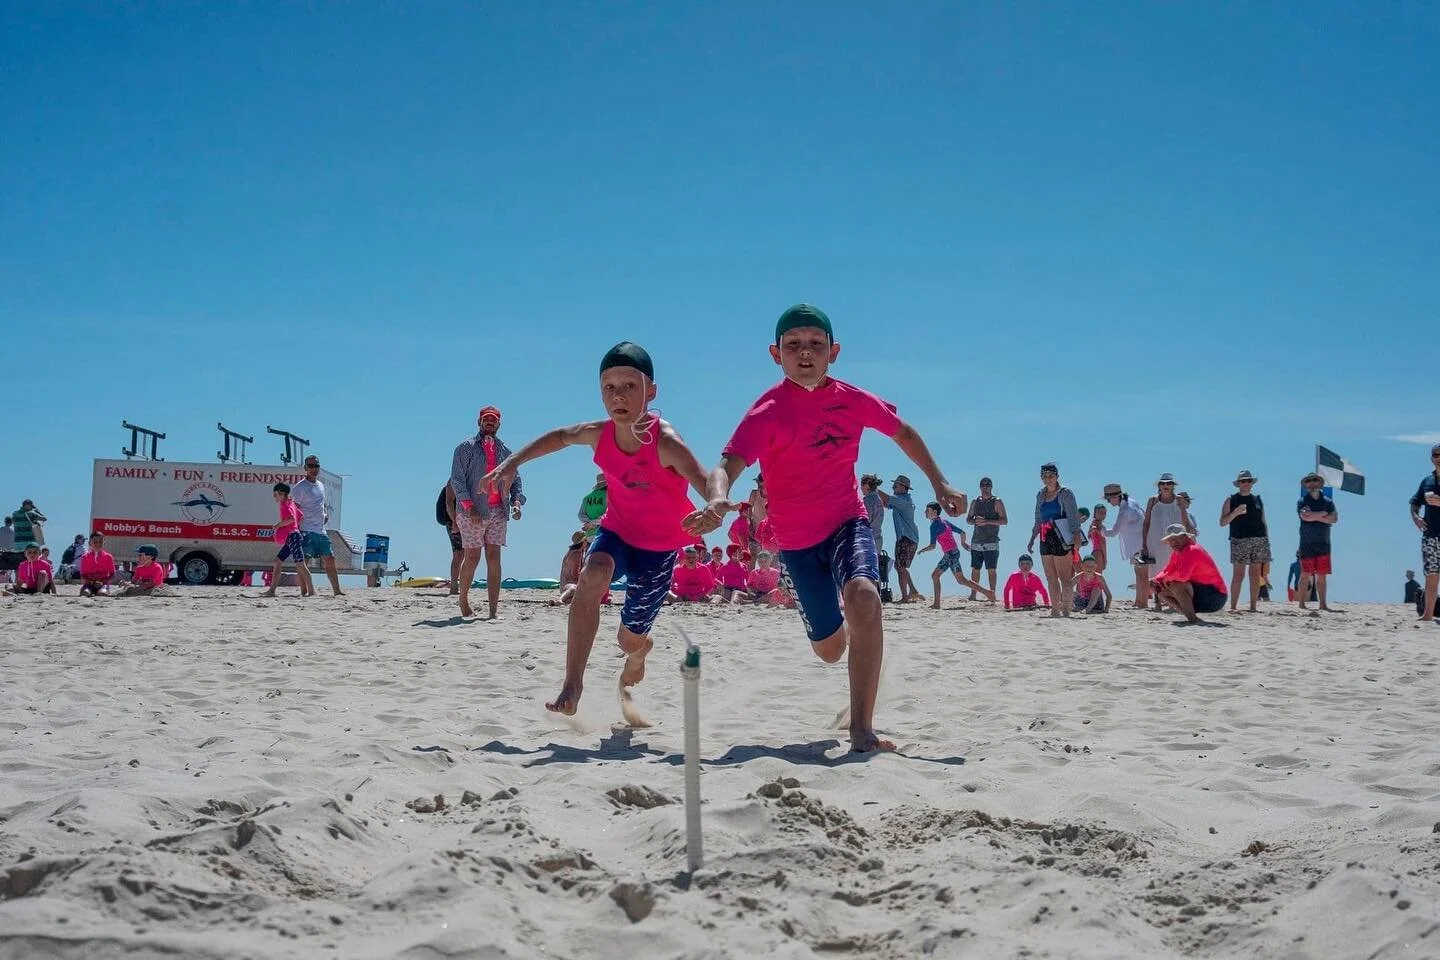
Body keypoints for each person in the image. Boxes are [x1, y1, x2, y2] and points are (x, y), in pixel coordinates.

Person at [686, 304, 967, 753]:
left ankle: (862, 729)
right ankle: (851, 631)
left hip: (847, 523)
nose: (804, 353)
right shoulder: (766, 411)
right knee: (830, 650)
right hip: (796, 544)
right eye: (793, 345)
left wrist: (940, 480)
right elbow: (726, 466)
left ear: (833, 352)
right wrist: (718, 499)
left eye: (815, 344)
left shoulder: (853, 399)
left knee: (865, 595)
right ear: (775, 353)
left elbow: (904, 433)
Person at [481, 342, 710, 717]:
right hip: (617, 532)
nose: (618, 396)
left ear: (651, 391)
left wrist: (714, 506)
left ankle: (639, 652)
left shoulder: (665, 442)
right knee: (593, 575)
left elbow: (705, 481)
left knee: (628, 640)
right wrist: (511, 463)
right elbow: (558, 437)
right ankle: (572, 686)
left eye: (630, 387)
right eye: (609, 387)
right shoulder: (599, 433)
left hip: (658, 549)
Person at [451, 406, 525, 620]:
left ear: (499, 424)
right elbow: (457, 479)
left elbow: (516, 480)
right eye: (486, 420)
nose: (489, 423)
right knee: (472, 557)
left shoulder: (506, 452)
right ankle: (463, 599)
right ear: (479, 423)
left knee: (494, 557)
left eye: (493, 420)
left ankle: (493, 610)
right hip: (471, 511)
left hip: (498, 511)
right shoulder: (465, 448)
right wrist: (468, 505)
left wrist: (517, 501)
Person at [1028, 463, 1084, 618]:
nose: (1048, 479)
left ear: (1057, 477)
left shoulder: (1065, 493)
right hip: (1045, 537)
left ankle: (1066, 609)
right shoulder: (1040, 494)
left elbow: (1073, 517)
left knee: (1065, 576)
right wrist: (1033, 538)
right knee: (1051, 576)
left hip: (1061, 537)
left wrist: (1077, 536)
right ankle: (1054, 609)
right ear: (1041, 478)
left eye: (1051, 476)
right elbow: (1038, 518)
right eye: (1045, 476)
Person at [918, 501, 995, 607]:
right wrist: (963, 543)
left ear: (935, 512)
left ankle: (988, 592)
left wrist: (923, 550)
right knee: (945, 577)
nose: (925, 512)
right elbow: (962, 532)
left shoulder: (934, 525)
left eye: (928, 510)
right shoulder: (945, 522)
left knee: (955, 579)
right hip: (953, 552)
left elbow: (932, 546)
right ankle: (988, 592)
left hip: (950, 554)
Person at [1150, 524, 1228, 624]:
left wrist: (1165, 579)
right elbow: (1167, 571)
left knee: (1176, 584)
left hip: (1216, 596)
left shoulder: (1192, 550)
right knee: (1160, 590)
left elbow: (1182, 577)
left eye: (1177, 538)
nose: (1174, 542)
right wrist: (1155, 580)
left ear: (1185, 537)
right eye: (1171, 539)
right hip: (1200, 595)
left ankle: (1193, 619)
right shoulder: (1177, 553)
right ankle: (1188, 613)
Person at [1219, 469, 1271, 613]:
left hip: (1259, 539)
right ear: (1238, 484)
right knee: (1238, 574)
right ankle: (1234, 606)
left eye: (1248, 481)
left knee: (1255, 574)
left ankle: (1253, 606)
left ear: (1252, 483)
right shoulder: (1232, 500)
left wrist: (1267, 540)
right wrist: (1235, 512)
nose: (1246, 483)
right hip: (1239, 539)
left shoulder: (1257, 499)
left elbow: (1263, 521)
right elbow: (1223, 522)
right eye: (1243, 481)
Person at [290, 455, 343, 596]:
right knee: (304, 561)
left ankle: (337, 591)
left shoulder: (321, 485)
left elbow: (321, 504)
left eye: (316, 466)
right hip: (306, 529)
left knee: (330, 559)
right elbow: (294, 509)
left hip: (320, 529)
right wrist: (296, 529)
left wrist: (325, 515)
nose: (314, 469)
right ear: (305, 468)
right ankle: (304, 591)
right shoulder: (300, 488)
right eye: (311, 466)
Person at [1141, 474, 1190, 609]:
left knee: (1175, 570)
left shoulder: (1179, 500)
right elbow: (1146, 523)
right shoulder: (1153, 500)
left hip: (1176, 542)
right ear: (1159, 486)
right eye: (1163, 483)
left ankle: (1174, 600)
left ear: (1173, 485)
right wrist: (1144, 544)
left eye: (1168, 483)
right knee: (1157, 572)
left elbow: (1185, 521)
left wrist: (1187, 540)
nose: (1165, 486)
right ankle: (1157, 601)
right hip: (1155, 541)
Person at [261, 482, 315, 598]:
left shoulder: (285, 504)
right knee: (277, 561)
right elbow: (300, 517)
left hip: (293, 537)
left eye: (275, 494)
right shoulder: (291, 503)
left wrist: (279, 525)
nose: (274, 496)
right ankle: (272, 590)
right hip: (292, 537)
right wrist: (293, 528)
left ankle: (312, 592)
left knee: (301, 565)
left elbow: (291, 518)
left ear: (281, 493)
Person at [1102, 482, 1148, 608]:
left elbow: (1113, 533)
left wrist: (1101, 529)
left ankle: (1142, 602)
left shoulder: (1124, 511)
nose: (1108, 502)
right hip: (1142, 542)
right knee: (1141, 573)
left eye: (1108, 499)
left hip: (1137, 544)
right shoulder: (1131, 502)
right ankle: (1140, 601)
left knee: (1140, 573)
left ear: (1115, 497)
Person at [1297, 472, 1338, 612]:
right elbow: (1305, 517)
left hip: (1323, 543)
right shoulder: (1302, 501)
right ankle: (1301, 603)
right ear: (1306, 484)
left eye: (1315, 480)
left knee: (1322, 576)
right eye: (1309, 481)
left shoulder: (1328, 501)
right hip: (1307, 542)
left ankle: (1323, 604)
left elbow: (1334, 519)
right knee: (1305, 575)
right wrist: (1323, 515)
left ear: (1320, 483)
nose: (1312, 483)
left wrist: (1316, 516)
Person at [1408, 443, 1440, 622]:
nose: (1439, 458)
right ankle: (1427, 615)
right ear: (1432, 459)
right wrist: (1415, 517)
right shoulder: (1427, 481)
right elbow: (1415, 502)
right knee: (1431, 575)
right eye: (1436, 455)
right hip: (1430, 535)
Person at [966, 477, 1006, 600]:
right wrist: (975, 521)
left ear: (991, 487)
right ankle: (973, 594)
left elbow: (1004, 520)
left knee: (991, 569)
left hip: (991, 540)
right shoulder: (975, 502)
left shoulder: (997, 502)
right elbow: (968, 519)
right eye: (983, 485)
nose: (985, 487)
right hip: (976, 540)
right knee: (975, 568)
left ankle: (992, 593)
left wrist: (987, 521)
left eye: (988, 485)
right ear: (980, 487)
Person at [885, 475, 921, 603]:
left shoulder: (902, 500)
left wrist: (873, 487)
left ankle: (913, 590)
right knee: (899, 566)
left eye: (896, 485)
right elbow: (885, 503)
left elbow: (886, 498)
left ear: (903, 488)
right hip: (905, 537)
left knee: (899, 566)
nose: (893, 487)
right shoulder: (900, 500)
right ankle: (906, 596)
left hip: (907, 537)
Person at [437, 483, 463, 595]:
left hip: (458, 520)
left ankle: (457, 585)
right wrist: (454, 522)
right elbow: (448, 502)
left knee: (461, 554)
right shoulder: (455, 480)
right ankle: (454, 587)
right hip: (453, 521)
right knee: (459, 554)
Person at [1088, 504, 1108, 572]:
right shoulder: (1098, 526)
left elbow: (1089, 536)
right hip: (1099, 552)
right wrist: (1105, 558)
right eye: (1100, 513)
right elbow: (1102, 542)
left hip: (1094, 552)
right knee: (1098, 576)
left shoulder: (1092, 525)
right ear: (1095, 513)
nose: (1103, 515)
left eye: (1104, 513)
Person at [0, 516, 16, 583]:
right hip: (10, 552)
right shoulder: (13, 531)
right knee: (9, 569)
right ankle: (8, 580)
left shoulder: (1, 529)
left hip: (1, 551)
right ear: (12, 522)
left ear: (5, 521)